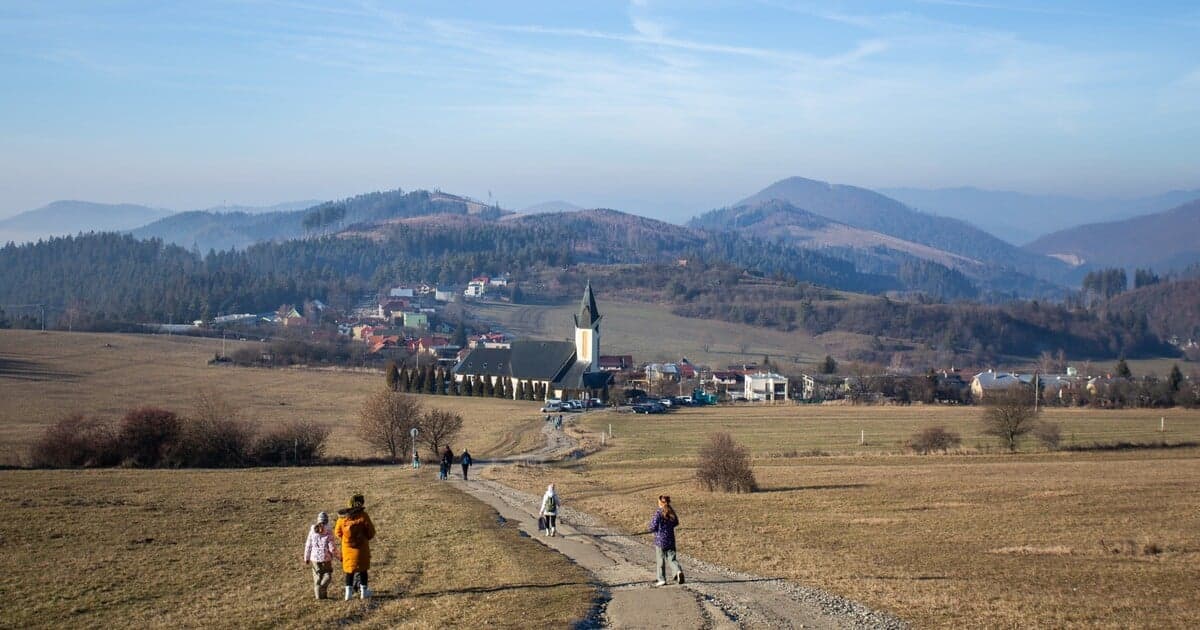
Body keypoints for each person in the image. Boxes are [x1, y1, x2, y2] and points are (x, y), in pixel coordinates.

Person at [334, 494, 376, 599]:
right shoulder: (363, 516)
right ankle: (363, 592)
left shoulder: (342, 518)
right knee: (363, 570)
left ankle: (348, 594)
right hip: (362, 549)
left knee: (349, 571)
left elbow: (337, 533)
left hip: (347, 550)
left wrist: (346, 540)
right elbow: (371, 532)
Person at [303, 511, 340, 599]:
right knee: (327, 575)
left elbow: (308, 544)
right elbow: (332, 548)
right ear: (327, 520)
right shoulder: (329, 531)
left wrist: (306, 557)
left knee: (317, 577)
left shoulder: (312, 530)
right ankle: (323, 588)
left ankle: (319, 596)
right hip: (326, 558)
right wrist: (339, 557)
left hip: (314, 559)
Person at [649, 495, 684, 586]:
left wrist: (652, 529)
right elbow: (676, 522)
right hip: (670, 539)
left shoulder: (658, 512)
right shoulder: (671, 512)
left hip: (660, 540)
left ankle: (661, 579)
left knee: (660, 560)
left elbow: (653, 526)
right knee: (672, 559)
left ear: (660, 503)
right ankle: (678, 571)